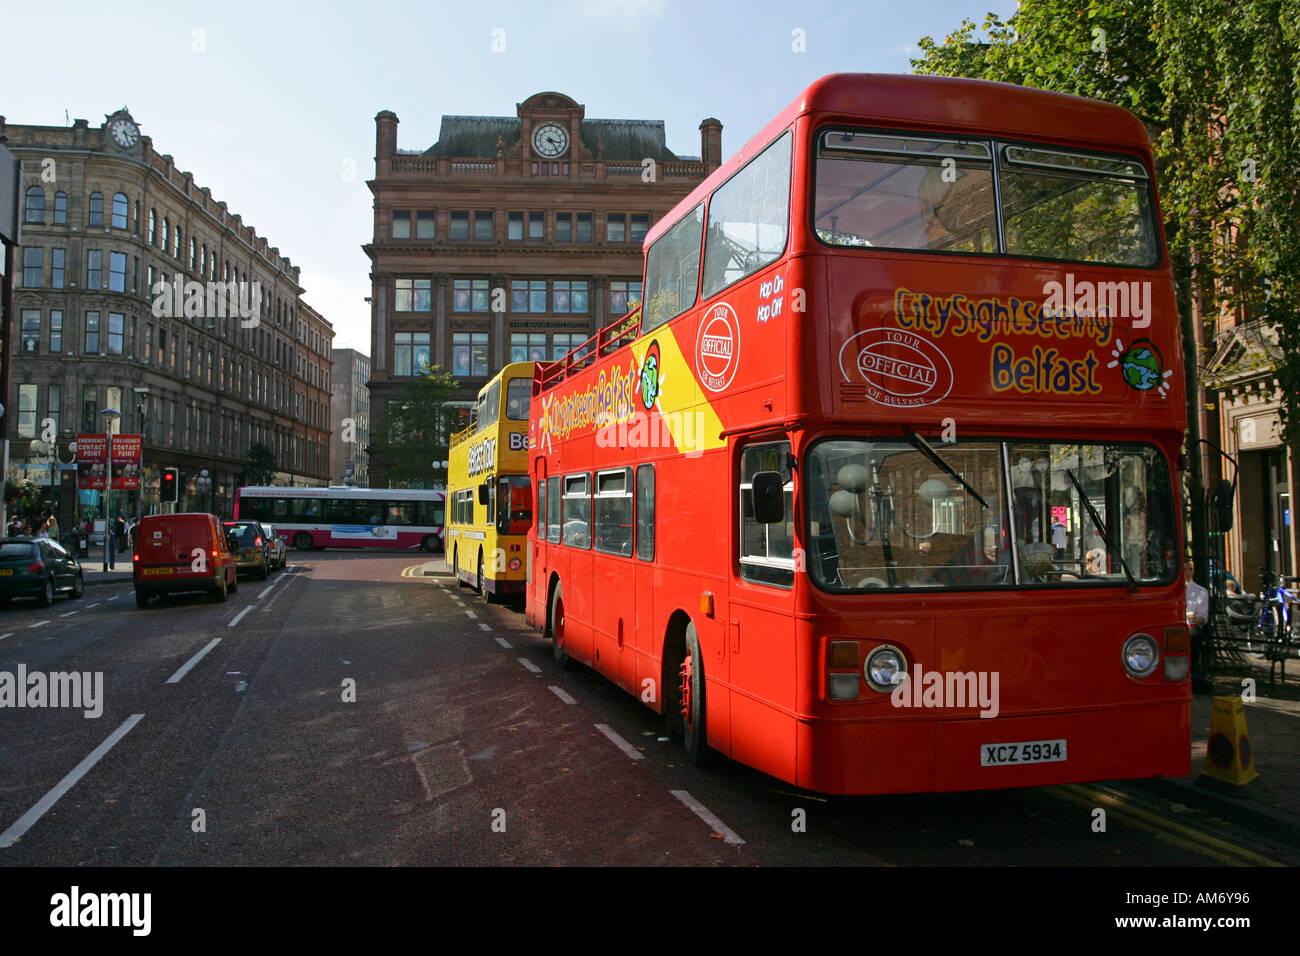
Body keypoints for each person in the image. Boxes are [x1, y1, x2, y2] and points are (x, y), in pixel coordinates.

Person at [1185, 557, 1212, 692]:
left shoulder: (1201, 591)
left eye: (1190, 569)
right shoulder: (1173, 589)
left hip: (1191, 626)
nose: (1187, 572)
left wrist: (1195, 619)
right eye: (1185, 569)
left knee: (1193, 636)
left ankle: (1192, 672)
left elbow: (1203, 616)